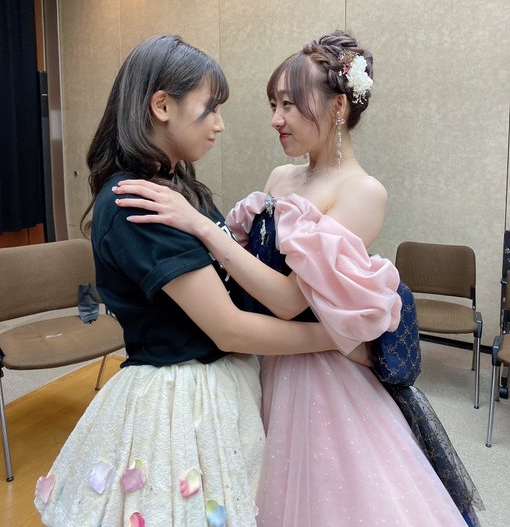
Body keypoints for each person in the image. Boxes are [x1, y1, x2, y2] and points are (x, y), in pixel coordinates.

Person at [114, 30, 483, 527]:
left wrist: (200, 226)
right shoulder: (280, 178)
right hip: (271, 357)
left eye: (289, 104)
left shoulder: (363, 191)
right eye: (274, 104)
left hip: (323, 375)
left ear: (337, 107)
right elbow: (248, 274)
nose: (276, 119)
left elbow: (289, 300)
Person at [34, 34, 342, 527]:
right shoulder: (138, 202)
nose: (219, 124)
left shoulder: (177, 187)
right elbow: (229, 327)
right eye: (209, 109)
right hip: (180, 398)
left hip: (215, 383)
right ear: (161, 106)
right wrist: (337, 338)